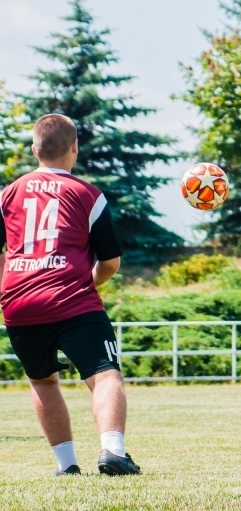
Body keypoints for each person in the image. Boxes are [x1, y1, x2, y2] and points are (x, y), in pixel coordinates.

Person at [0, 114, 140, 476]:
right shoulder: (88, 195)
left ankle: (67, 466)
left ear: (34, 150)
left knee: (43, 381)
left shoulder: (8, 194)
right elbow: (110, 262)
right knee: (105, 374)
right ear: (75, 147)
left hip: (18, 304)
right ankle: (113, 452)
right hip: (72, 299)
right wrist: (90, 282)